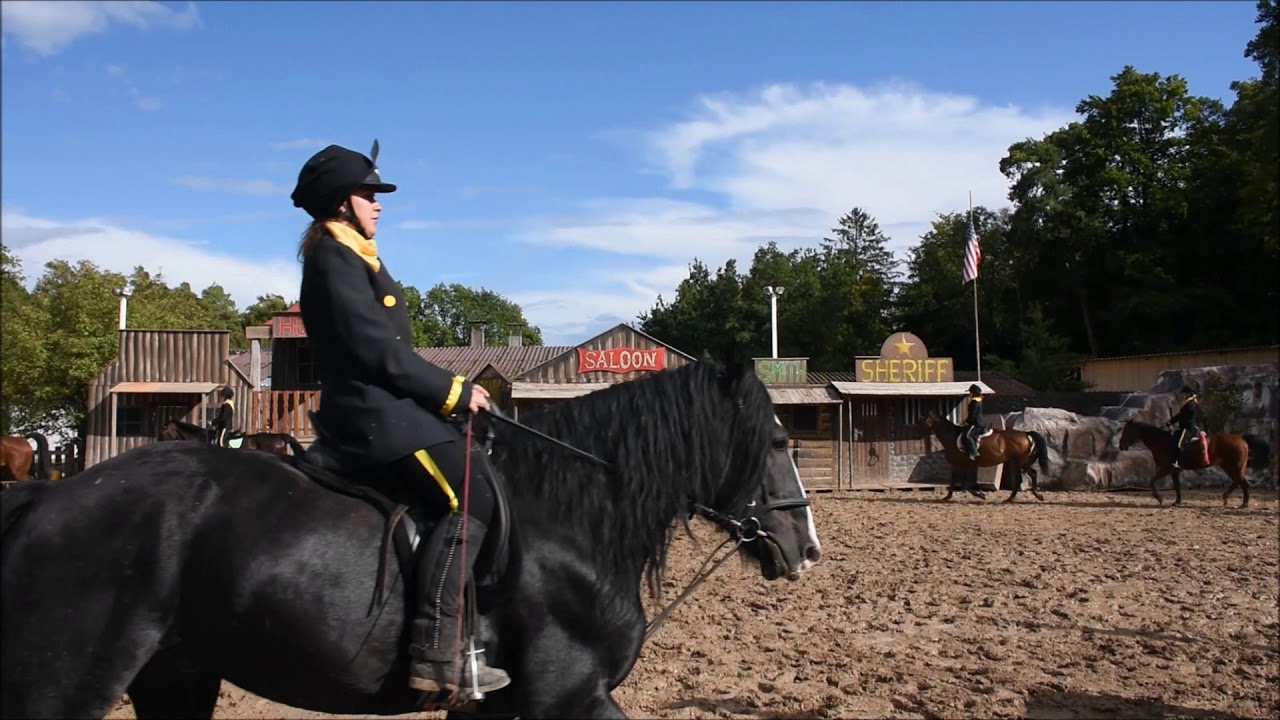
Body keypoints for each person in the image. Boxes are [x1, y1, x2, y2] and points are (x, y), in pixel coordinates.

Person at [289, 141, 511, 696]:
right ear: (342, 202)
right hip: (371, 417)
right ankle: (436, 649)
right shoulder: (333, 258)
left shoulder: (355, 255)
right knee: (472, 495)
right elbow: (377, 352)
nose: (378, 203)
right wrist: (454, 391)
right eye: (369, 194)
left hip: (392, 408)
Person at [1163, 384, 1201, 468]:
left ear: (1188, 394)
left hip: (1188, 428)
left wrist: (1170, 422)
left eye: (1183, 394)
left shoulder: (1190, 404)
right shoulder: (1187, 404)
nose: (1181, 395)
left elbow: (1181, 416)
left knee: (1179, 444)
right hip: (1184, 428)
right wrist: (1169, 422)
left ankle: (1178, 462)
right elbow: (1180, 415)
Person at [962, 384, 987, 460]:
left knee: (967, 436)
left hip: (976, 423)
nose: (969, 394)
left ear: (973, 393)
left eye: (970, 392)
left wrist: (967, 421)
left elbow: (973, 415)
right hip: (980, 422)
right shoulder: (978, 400)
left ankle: (974, 452)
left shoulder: (975, 402)